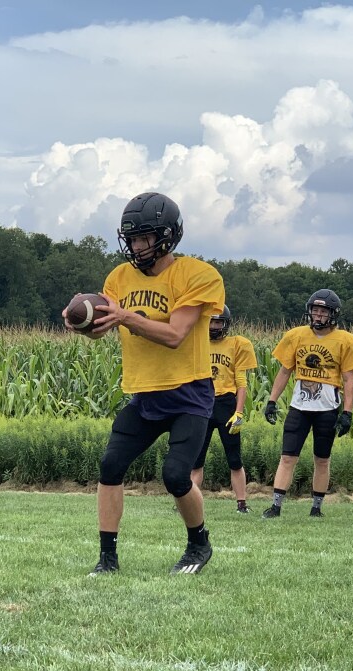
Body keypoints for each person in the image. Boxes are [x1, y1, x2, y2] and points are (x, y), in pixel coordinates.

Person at [64, 191, 225, 575]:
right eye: (132, 238)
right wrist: (80, 323)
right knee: (110, 465)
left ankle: (198, 545)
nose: (136, 246)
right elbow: (102, 329)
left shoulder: (199, 275)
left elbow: (174, 335)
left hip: (189, 391)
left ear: (167, 236)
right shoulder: (119, 277)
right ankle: (107, 558)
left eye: (144, 238)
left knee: (174, 475)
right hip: (145, 394)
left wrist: (124, 317)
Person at [260, 289, 353, 519]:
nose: (317, 315)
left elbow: (348, 379)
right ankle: (276, 506)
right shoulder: (296, 335)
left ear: (332, 314)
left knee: (322, 459)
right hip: (299, 406)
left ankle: (316, 507)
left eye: (323, 312)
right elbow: (285, 371)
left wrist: (347, 411)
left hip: (327, 407)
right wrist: (271, 401)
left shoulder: (346, 340)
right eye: (315, 310)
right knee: (287, 456)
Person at [191, 305, 257, 514]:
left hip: (225, 403)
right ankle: (189, 501)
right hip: (201, 403)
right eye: (210, 321)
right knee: (196, 459)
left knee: (234, 458)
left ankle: (241, 503)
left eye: (218, 322)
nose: (213, 326)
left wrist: (238, 412)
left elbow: (241, 381)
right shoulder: (196, 343)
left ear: (225, 324)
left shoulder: (236, 344)